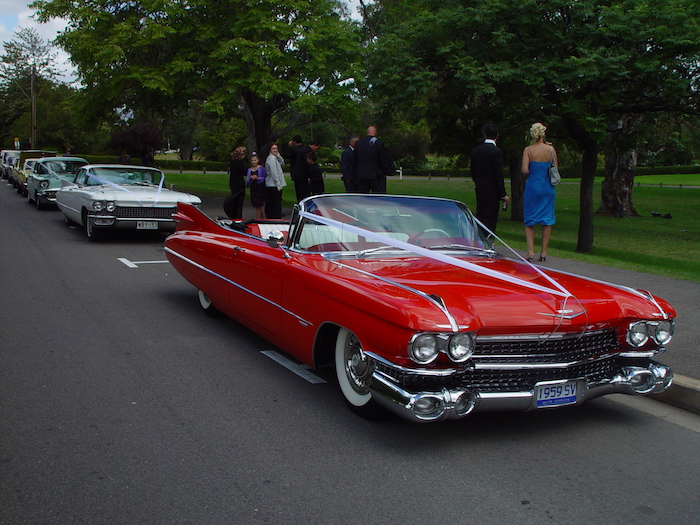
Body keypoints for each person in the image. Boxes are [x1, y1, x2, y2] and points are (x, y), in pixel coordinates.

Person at [521, 122, 557, 262]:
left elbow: (525, 170)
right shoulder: (550, 149)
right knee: (547, 219)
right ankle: (544, 251)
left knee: (530, 218)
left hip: (533, 186)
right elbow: (554, 168)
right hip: (547, 186)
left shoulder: (528, 150)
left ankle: (530, 251)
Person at [470, 123, 509, 233]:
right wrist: (503, 194)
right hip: (492, 191)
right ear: (497, 136)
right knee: (490, 219)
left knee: (480, 216)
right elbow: (498, 174)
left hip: (480, 188)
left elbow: (473, 172)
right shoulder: (497, 152)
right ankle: (487, 242)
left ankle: (478, 239)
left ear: (484, 135)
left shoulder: (476, 151)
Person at [352, 125, 394, 193]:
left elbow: (355, 161)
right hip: (376, 175)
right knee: (378, 197)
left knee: (363, 196)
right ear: (375, 133)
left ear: (367, 133)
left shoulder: (358, 144)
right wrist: (387, 171)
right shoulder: (379, 144)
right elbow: (383, 160)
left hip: (362, 175)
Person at [284, 135, 311, 202]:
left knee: (299, 192)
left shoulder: (294, 151)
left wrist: (288, 147)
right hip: (305, 174)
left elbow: (287, 155)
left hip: (297, 174)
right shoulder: (306, 150)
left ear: (294, 142)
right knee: (306, 192)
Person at [224, 146, 247, 219]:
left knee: (234, 201)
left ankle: (234, 217)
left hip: (233, 182)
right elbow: (244, 172)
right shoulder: (239, 163)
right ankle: (238, 218)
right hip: (239, 183)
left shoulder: (232, 162)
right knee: (239, 203)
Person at [264, 143, 286, 219]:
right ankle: (274, 217)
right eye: (273, 149)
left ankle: (274, 216)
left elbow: (282, 164)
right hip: (272, 185)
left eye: (276, 148)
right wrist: (278, 185)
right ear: (270, 149)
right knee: (274, 204)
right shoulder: (271, 158)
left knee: (275, 203)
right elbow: (274, 173)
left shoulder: (275, 157)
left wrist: (279, 156)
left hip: (274, 185)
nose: (275, 150)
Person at [247, 153, 267, 219]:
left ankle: (257, 219)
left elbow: (264, 177)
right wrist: (250, 178)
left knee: (258, 205)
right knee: (257, 206)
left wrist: (258, 178)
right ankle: (263, 218)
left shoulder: (261, 168)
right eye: (252, 160)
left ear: (258, 160)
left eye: (255, 160)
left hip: (260, 188)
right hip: (253, 188)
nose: (254, 162)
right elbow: (247, 180)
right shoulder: (250, 170)